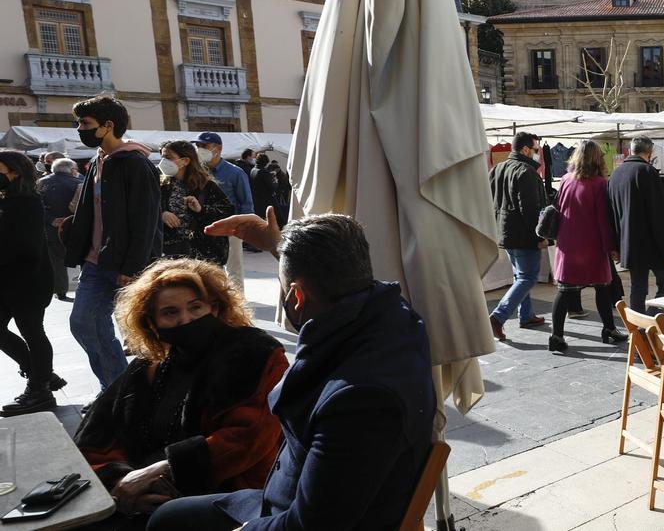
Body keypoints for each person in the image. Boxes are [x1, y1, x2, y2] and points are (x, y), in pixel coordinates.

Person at [148, 213, 437, 531]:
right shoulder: (396, 318)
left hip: (299, 514)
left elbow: (310, 525)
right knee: (167, 517)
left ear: (296, 297)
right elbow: (330, 269)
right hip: (287, 497)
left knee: (164, 522)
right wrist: (279, 245)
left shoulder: (358, 401)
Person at [74, 259, 287, 524]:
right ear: (153, 323)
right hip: (145, 495)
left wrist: (162, 470)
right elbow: (96, 438)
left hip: (233, 499)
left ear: (215, 307)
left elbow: (247, 440)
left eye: (195, 307)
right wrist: (121, 482)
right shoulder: (149, 366)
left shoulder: (255, 355)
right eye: (170, 312)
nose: (185, 319)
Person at [62, 96, 162, 390]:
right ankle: (116, 389)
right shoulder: (98, 161)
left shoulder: (136, 164)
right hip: (96, 262)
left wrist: (132, 266)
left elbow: (146, 221)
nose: (80, 128)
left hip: (127, 265)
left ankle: (133, 395)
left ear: (108, 126)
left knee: (146, 333)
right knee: (83, 323)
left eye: (85, 123)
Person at [0, 151, 66, 416]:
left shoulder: (26, 201)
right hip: (8, 281)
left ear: (15, 172)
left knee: (32, 331)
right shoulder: (8, 199)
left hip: (27, 281)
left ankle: (40, 390)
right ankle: (43, 377)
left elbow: (25, 247)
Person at [548, 141, 628, 353]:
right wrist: (612, 247)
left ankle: (556, 336)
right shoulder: (600, 184)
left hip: (567, 244)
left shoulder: (565, 180)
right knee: (602, 288)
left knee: (564, 291)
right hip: (591, 245)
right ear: (597, 158)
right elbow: (604, 220)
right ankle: (609, 329)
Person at [608, 136, 664, 315]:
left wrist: (615, 245)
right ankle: (648, 323)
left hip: (630, 243)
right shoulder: (648, 172)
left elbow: (611, 214)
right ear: (650, 152)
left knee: (638, 289)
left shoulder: (616, 174)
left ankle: (638, 329)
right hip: (653, 245)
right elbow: (659, 215)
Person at [487, 131, 549, 341]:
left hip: (505, 232)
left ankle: (526, 315)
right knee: (527, 277)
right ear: (525, 150)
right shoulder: (526, 172)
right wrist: (540, 235)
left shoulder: (498, 169)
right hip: (523, 235)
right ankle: (498, 316)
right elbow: (530, 210)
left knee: (519, 275)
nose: (538, 154)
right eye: (536, 150)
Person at [193, 133, 253, 290]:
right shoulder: (196, 172)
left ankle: (236, 303)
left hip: (230, 228)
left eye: (204, 146)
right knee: (207, 267)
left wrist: (243, 229)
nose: (200, 150)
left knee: (234, 268)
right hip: (203, 227)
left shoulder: (235, 173)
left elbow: (246, 203)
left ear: (218, 148)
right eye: (198, 146)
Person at [158, 141, 233, 265]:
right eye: (162, 157)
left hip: (203, 254)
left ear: (185, 161)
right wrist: (162, 213)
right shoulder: (163, 186)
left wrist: (201, 210)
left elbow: (226, 212)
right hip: (171, 254)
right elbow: (148, 210)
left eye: (168, 158)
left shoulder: (206, 186)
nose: (163, 162)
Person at [38, 157, 82, 301]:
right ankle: (84, 287)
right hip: (75, 227)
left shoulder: (41, 183)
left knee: (56, 260)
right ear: (72, 169)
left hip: (50, 228)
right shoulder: (79, 182)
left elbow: (37, 207)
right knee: (84, 257)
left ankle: (61, 290)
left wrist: (51, 220)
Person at [249, 154, 278, 221]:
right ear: (265, 162)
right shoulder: (263, 172)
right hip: (265, 200)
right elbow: (272, 187)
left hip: (256, 199)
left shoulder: (253, 170)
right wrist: (275, 181)